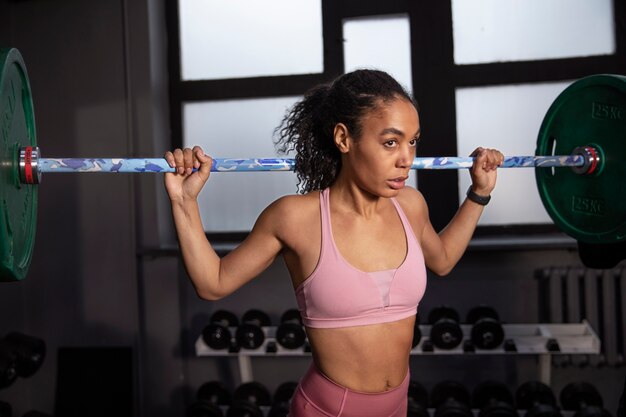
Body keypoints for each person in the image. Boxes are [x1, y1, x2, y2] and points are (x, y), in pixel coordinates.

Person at [164, 69, 504, 417]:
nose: (406, 158)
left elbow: (443, 260)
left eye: (412, 141)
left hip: (398, 406)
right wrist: (184, 202)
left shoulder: (410, 205)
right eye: (390, 142)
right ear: (344, 138)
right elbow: (213, 282)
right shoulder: (295, 218)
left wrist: (478, 194)